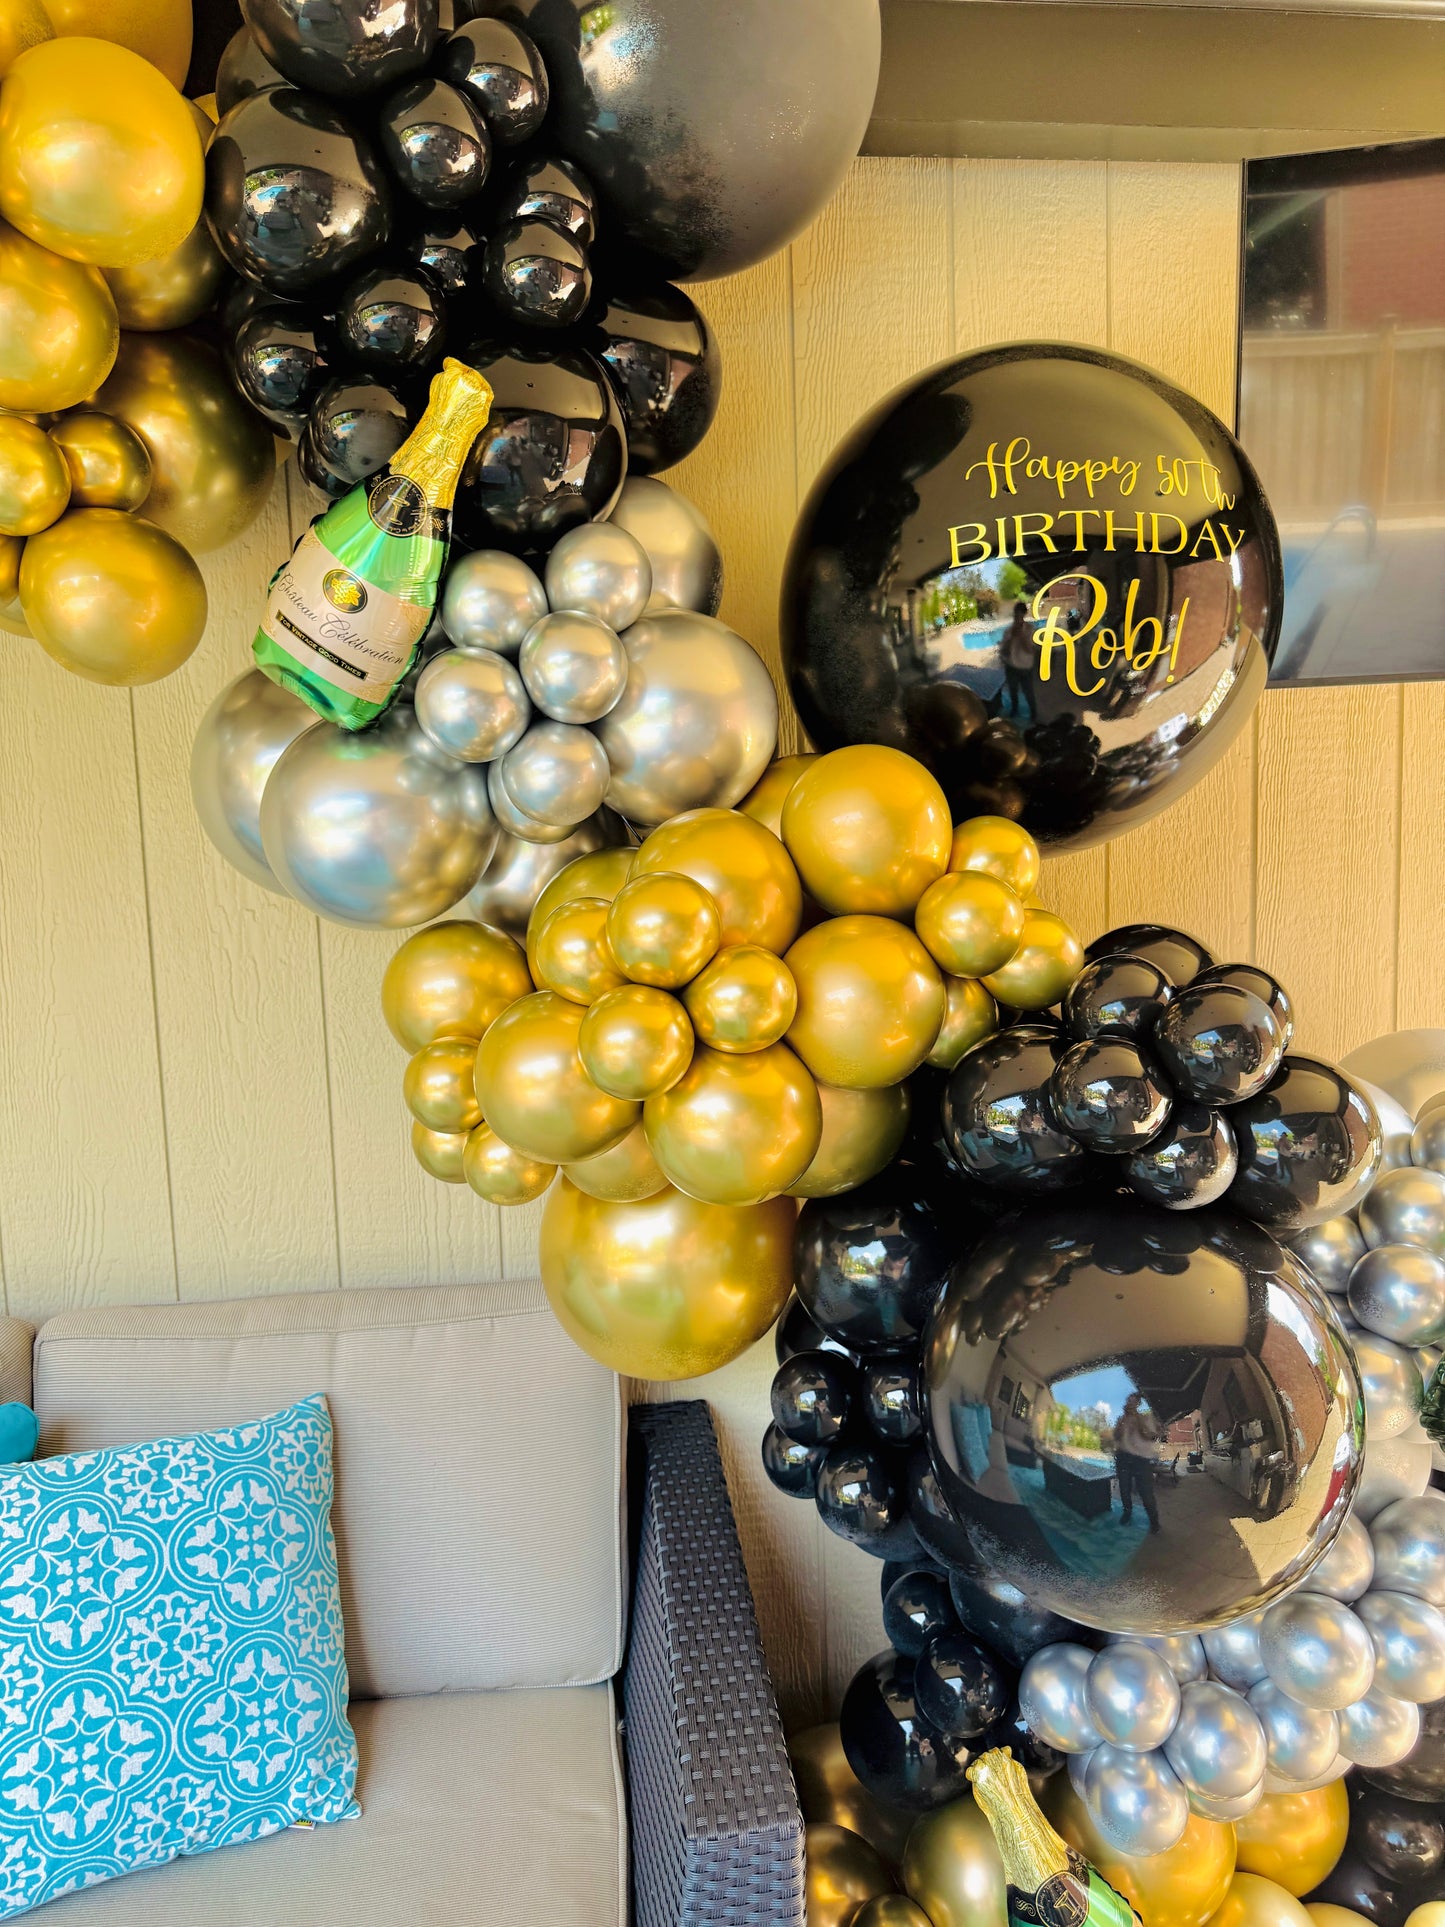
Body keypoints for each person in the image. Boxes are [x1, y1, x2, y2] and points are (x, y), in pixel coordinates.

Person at [1115, 1392, 1162, 1533]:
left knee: (1146, 1492)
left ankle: (1154, 1521)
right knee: (1124, 1489)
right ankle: (1127, 1512)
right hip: (1123, 1457)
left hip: (1141, 1459)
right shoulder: (1121, 1419)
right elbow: (1116, 1436)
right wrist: (1122, 1423)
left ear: (1138, 1404)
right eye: (1128, 1400)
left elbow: (1153, 1436)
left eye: (1133, 1401)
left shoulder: (1144, 1417)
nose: (1130, 1403)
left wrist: (1140, 1423)